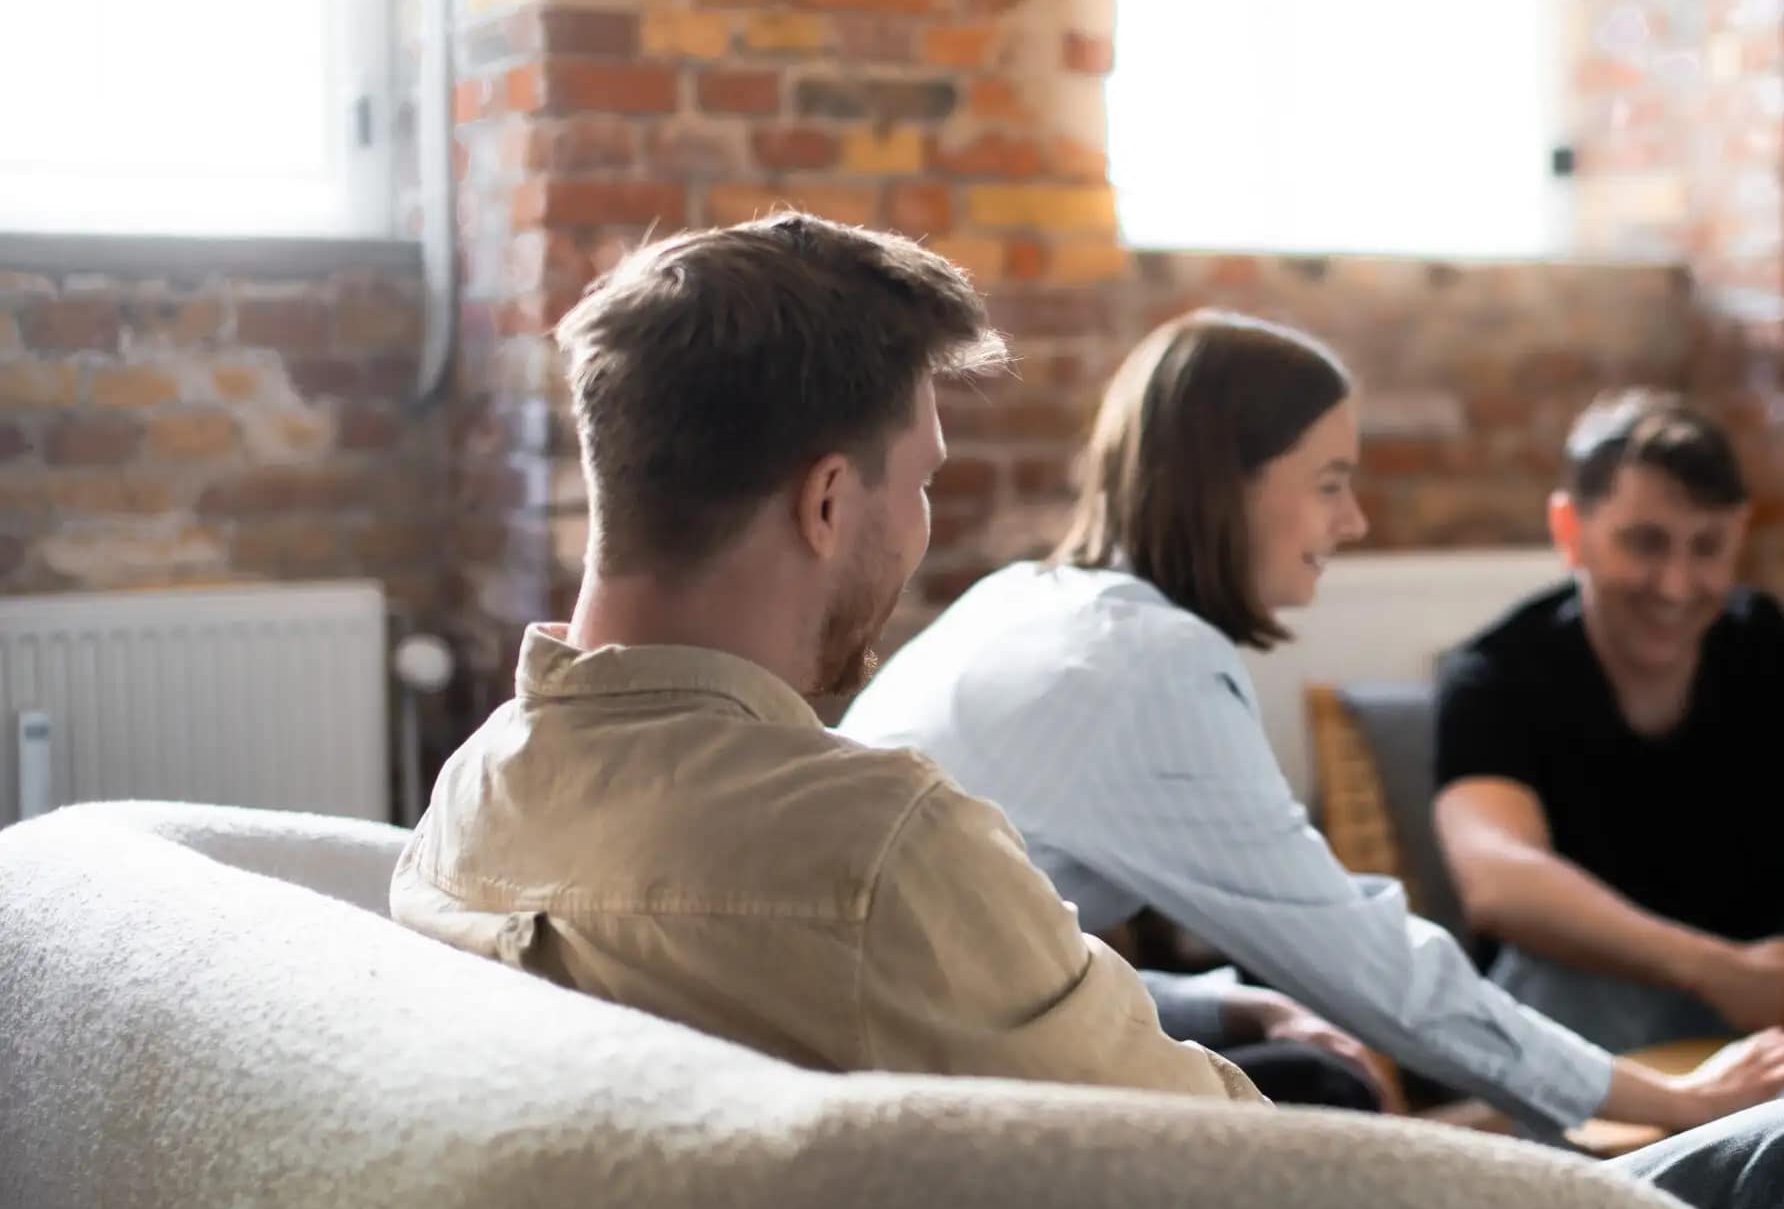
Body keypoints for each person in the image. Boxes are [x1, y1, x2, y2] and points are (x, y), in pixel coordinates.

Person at [846, 310, 1784, 1209]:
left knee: (1328, 1080)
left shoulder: (1028, 606)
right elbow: (1381, 967)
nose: (1352, 522)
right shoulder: (1144, 671)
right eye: (1328, 483)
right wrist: (1665, 1096)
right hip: (1032, 1199)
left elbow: (1007, 938)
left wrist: (1224, 1006)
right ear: (1228, 485)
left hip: (954, 1153)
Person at [393, 215, 1258, 1108]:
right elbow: (1235, 1160)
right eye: (922, 483)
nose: (923, 523)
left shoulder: (467, 793)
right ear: (830, 501)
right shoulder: (882, 849)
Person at [1432, 388, 1784, 1058]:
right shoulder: (1496, 674)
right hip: (1602, 991)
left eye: (1707, 547)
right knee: (1545, 990)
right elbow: (1499, 881)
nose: (1676, 585)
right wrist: (1711, 969)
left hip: (1769, 993)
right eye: (1645, 543)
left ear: (1740, 536)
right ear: (1571, 533)